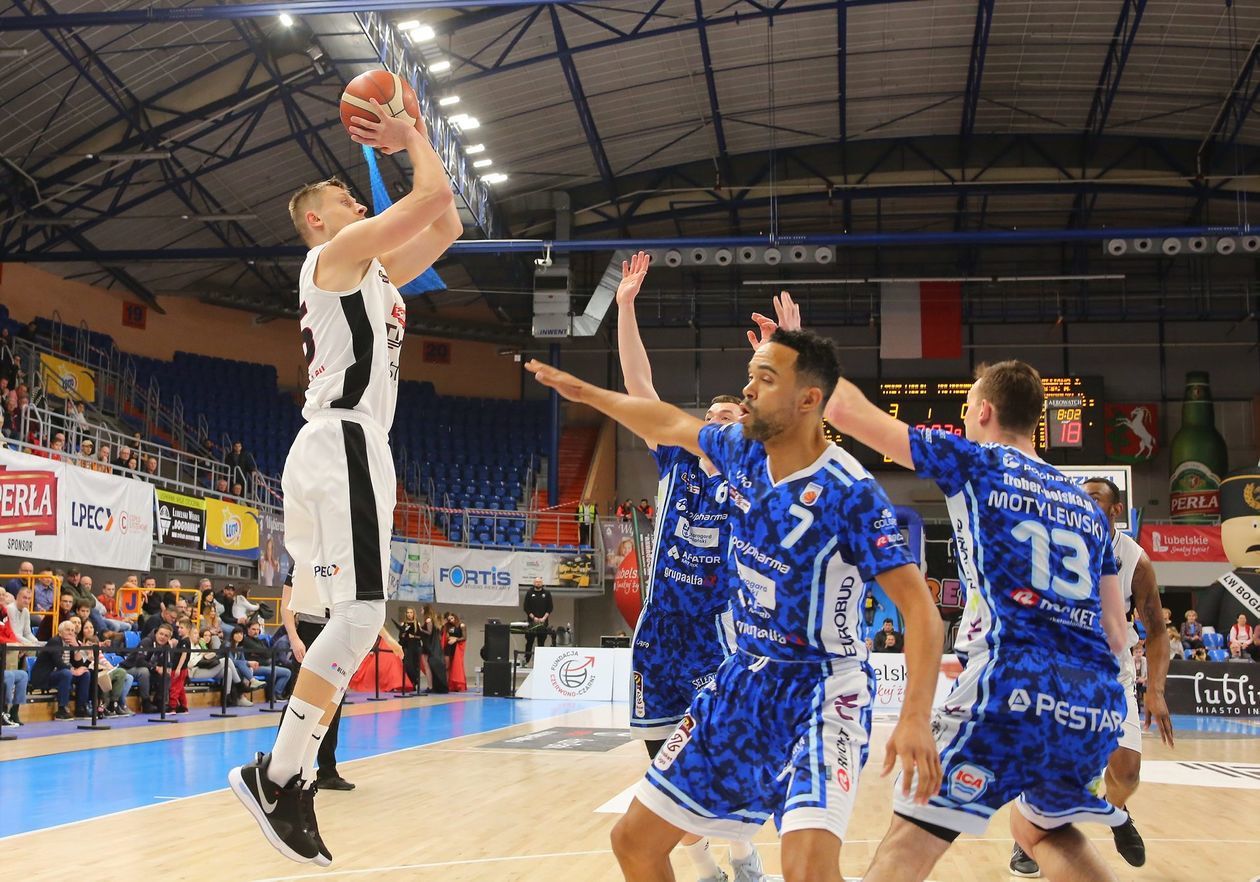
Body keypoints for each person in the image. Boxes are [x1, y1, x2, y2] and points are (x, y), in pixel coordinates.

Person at [528, 328, 943, 882]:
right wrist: (589, 394)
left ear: (808, 400)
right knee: (633, 842)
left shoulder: (851, 492)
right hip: (743, 679)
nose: (748, 391)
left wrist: (914, 716)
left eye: (764, 380)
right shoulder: (741, 451)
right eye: (750, 377)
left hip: (822, 691)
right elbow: (667, 421)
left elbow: (921, 611)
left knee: (806, 871)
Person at [229, 93, 461, 868]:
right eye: (344, 198)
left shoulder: (375, 275)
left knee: (353, 622)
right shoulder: (331, 260)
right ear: (319, 222)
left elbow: (448, 219)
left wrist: (417, 137)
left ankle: (287, 770)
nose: (358, 200)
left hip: (345, 448)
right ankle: (280, 773)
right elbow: (427, 196)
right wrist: (405, 140)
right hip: (344, 441)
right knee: (361, 617)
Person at [824, 360, 1130, 882]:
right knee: (1044, 831)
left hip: (1010, 683)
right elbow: (1117, 635)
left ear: (984, 411)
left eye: (967, 410)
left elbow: (846, 410)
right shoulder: (1086, 505)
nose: (965, 420)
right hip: (1093, 701)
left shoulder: (977, 461)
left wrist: (797, 352)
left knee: (909, 840)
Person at [615, 256, 798, 881]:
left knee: (723, 754)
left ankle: (744, 855)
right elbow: (639, 385)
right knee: (656, 761)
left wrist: (781, 349)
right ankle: (701, 864)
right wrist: (625, 307)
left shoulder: (758, 470)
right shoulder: (676, 461)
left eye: (729, 418)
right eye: (710, 418)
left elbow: (796, 411)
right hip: (661, 631)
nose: (717, 424)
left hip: (723, 634)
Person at [1008, 477, 1174, 876]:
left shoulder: (1135, 561)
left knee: (1126, 772)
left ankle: (1116, 812)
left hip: (1111, 674)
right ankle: (1026, 839)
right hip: (1058, 670)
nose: (1083, 504)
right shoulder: (1052, 545)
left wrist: (1155, 690)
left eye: (1094, 499)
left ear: (1116, 510)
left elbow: (1156, 631)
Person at [31, 620, 94, 720]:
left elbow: (79, 664)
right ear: (60, 632)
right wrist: (73, 671)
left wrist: (76, 648)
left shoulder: (71, 643)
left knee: (85, 674)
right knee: (66, 673)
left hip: (60, 674)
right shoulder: (55, 641)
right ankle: (61, 710)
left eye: (73, 630)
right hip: (45, 676)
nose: (71, 632)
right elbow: (58, 663)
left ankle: (81, 708)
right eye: (67, 630)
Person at [523, 577, 554, 665]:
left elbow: (550, 608)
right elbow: (526, 607)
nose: (538, 583)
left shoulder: (547, 593)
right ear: (534, 583)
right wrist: (534, 618)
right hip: (532, 622)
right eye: (536, 582)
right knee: (529, 641)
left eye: (539, 582)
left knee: (541, 642)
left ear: (542, 583)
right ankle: (527, 660)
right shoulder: (529, 593)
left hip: (543, 622)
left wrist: (543, 618)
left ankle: (540, 662)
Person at [394, 607, 425, 692]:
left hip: (415, 647)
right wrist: (403, 634)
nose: (409, 614)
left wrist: (413, 636)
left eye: (411, 612)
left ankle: (415, 683)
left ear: (413, 614)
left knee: (415, 666)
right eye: (408, 612)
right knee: (407, 666)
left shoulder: (417, 624)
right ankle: (408, 684)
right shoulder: (403, 623)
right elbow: (400, 637)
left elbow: (421, 636)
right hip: (406, 647)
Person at [443, 612, 466, 693]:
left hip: (456, 647)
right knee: (447, 666)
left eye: (452, 619)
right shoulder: (447, 626)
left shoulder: (461, 625)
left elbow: (464, 637)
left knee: (456, 666)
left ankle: (456, 684)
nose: (451, 620)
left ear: (455, 618)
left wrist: (455, 639)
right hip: (448, 646)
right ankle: (446, 684)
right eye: (449, 619)